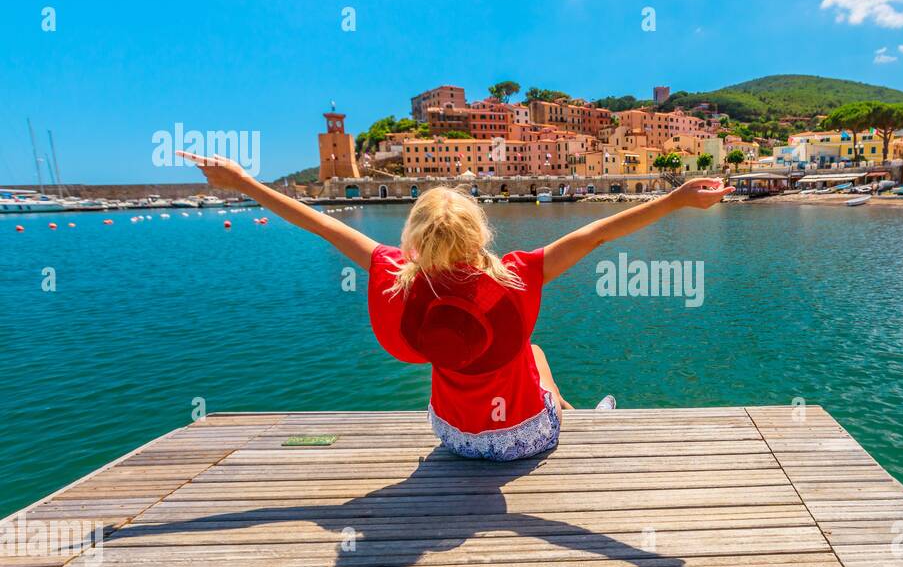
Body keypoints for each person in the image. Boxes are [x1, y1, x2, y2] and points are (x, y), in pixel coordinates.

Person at [176, 151, 732, 460]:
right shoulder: (516, 274)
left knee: (510, 352)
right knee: (533, 350)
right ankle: (575, 416)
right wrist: (677, 199)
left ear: (412, 238)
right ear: (479, 232)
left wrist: (243, 182)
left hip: (454, 438)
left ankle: (561, 412)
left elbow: (317, 222)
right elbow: (596, 235)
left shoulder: (398, 276)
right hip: (522, 440)